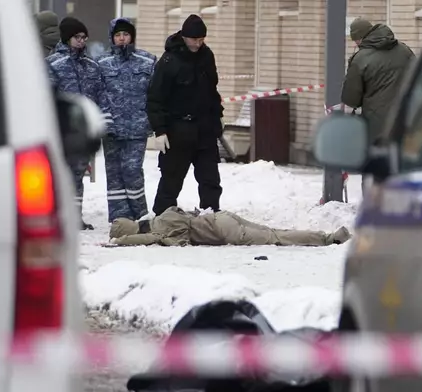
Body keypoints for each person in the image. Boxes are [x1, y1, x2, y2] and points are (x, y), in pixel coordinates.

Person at [147, 14, 224, 216]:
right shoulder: (169, 61)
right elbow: (155, 98)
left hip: (205, 129)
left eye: (201, 40)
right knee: (171, 180)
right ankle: (163, 218)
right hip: (177, 130)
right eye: (194, 40)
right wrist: (160, 130)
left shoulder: (207, 56)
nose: (198, 44)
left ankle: (211, 216)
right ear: (184, 37)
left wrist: (217, 121)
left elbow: (212, 92)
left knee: (210, 179)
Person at [46, 16, 112, 230]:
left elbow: (101, 94)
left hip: (81, 131)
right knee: (58, 177)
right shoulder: (53, 64)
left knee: (77, 176)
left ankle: (75, 218)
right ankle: (55, 218)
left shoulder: (91, 66)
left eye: (84, 37)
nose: (82, 41)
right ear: (67, 39)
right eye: (77, 37)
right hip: (59, 130)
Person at [341, 18, 415, 191]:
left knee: (374, 172)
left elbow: (351, 99)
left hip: (376, 127)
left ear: (360, 37)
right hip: (407, 122)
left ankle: (374, 207)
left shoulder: (360, 59)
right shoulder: (404, 50)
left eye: (356, 40)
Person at [96, 18, 156, 223]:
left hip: (137, 127)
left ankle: (140, 214)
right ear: (112, 38)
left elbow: (155, 94)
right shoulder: (101, 63)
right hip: (111, 128)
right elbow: (99, 94)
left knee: (132, 171)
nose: (122, 39)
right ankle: (120, 218)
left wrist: (152, 120)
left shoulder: (147, 61)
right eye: (118, 35)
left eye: (126, 34)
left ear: (132, 36)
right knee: (114, 174)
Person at [108, 206, 352, 247]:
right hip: (221, 218)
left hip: (223, 231)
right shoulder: (163, 215)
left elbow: (173, 241)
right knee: (274, 232)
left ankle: (329, 239)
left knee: (275, 238)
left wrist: (120, 242)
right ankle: (326, 237)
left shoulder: (160, 228)